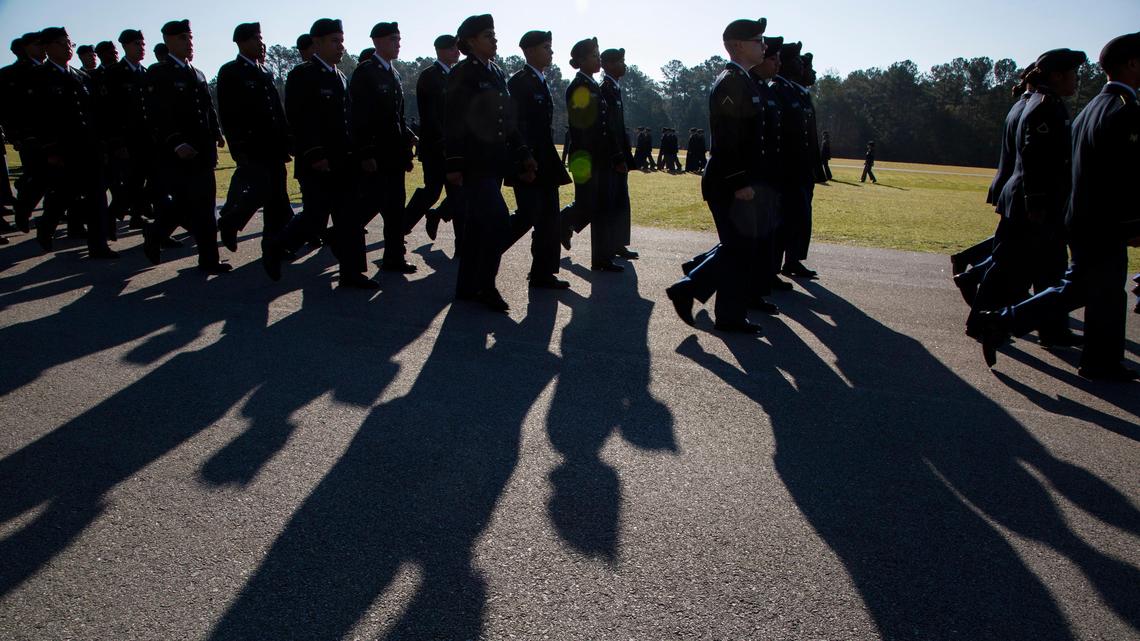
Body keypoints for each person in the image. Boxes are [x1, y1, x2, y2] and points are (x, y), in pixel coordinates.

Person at [978, 33, 1140, 381]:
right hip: (1104, 221)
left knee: (1091, 289)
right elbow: (1122, 176)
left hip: (1082, 218)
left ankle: (1097, 360)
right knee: (1094, 288)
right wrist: (1132, 223)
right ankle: (1003, 323)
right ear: (1131, 64)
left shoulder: (1093, 108)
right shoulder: (1123, 110)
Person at [968, 48, 1088, 347]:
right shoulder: (1045, 106)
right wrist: (1037, 203)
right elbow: (1035, 158)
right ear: (1057, 76)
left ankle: (1051, 329)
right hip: (1035, 204)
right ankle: (984, 323)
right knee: (1011, 268)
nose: (1076, 80)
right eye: (1073, 74)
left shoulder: (1043, 103)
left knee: (1045, 267)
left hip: (1035, 201)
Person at [665, 17, 770, 334]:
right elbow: (727, 137)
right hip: (728, 181)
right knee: (740, 246)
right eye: (758, 40)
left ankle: (726, 311)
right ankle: (690, 288)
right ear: (738, 45)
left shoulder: (744, 81)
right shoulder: (731, 82)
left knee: (740, 246)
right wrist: (739, 181)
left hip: (737, 179)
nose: (763, 46)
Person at [267, 18, 375, 288]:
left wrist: (361, 154)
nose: (341, 46)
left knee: (349, 218)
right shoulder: (303, 75)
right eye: (334, 41)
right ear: (317, 43)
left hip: (344, 161)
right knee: (315, 217)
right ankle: (276, 246)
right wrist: (315, 153)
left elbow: (350, 121)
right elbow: (300, 119)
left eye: (342, 41)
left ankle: (352, 273)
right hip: (318, 162)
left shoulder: (340, 77)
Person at [445, 14, 537, 311]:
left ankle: (466, 286)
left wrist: (522, 152)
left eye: (494, 35)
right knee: (497, 221)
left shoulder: (496, 71)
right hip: (474, 162)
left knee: (477, 226)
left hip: (495, 161)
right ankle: (486, 285)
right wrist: (454, 163)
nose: (494, 40)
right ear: (471, 42)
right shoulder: (463, 73)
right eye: (488, 35)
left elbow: (507, 118)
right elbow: (453, 121)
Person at [141, 19, 229, 273]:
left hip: (202, 151)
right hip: (178, 154)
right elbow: (157, 114)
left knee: (205, 207)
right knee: (183, 206)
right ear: (168, 41)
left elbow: (207, 109)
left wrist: (216, 133)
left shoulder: (197, 73)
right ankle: (155, 234)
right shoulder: (159, 73)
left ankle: (209, 260)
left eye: (190, 38)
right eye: (182, 38)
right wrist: (176, 142)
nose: (189, 42)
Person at [27, 27, 117, 258]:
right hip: (63, 149)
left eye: (70, 43)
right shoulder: (39, 76)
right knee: (63, 195)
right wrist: (49, 149)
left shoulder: (81, 77)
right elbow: (37, 117)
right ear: (48, 47)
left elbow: (94, 113)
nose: (68, 47)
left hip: (89, 147)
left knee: (97, 197)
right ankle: (47, 224)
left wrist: (103, 143)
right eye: (62, 43)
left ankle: (98, 246)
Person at [951, 64, 1038, 303]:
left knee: (1012, 241)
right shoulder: (1034, 107)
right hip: (1020, 187)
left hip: (1010, 183)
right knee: (1017, 244)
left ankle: (972, 265)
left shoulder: (1021, 105)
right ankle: (976, 274)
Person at [215, 22, 293, 260]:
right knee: (262, 191)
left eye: (261, 38)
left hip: (273, 145)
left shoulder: (264, 71)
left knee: (277, 198)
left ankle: (273, 245)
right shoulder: (231, 72)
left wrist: (286, 139)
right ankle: (231, 222)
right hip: (252, 146)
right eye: (255, 39)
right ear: (241, 42)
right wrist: (238, 148)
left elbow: (276, 110)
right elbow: (228, 114)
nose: (261, 43)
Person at [506, 29, 573, 289]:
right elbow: (514, 126)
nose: (551, 52)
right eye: (546, 47)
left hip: (544, 160)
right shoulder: (519, 82)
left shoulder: (540, 80)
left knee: (549, 219)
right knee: (527, 215)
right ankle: (483, 254)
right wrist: (522, 159)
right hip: (527, 160)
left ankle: (543, 273)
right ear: (530, 51)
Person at [349, 21, 417, 274]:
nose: (397, 44)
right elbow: (360, 117)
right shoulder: (366, 72)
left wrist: (408, 142)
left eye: (398, 39)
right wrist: (366, 152)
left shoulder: (393, 73)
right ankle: (342, 236)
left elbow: (397, 117)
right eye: (392, 39)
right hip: (377, 153)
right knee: (371, 202)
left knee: (395, 207)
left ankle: (394, 258)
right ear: (377, 41)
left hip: (394, 154)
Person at [559, 37, 626, 271]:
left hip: (600, 157)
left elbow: (605, 126)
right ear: (581, 60)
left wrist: (615, 155)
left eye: (598, 55)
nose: (599, 60)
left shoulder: (593, 85)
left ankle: (602, 258)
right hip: (586, 158)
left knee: (601, 206)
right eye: (594, 56)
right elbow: (581, 129)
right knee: (587, 204)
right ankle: (560, 224)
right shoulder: (579, 87)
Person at [405, 34, 460, 243]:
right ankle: (401, 226)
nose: (457, 52)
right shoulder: (430, 76)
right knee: (432, 191)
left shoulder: (456, 75)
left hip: (453, 146)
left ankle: (461, 244)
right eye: (453, 48)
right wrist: (442, 141)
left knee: (458, 193)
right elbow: (430, 116)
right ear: (441, 51)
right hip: (436, 147)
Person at [100, 29, 152, 230]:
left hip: (145, 138)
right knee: (131, 182)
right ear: (125, 46)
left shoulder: (145, 73)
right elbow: (108, 111)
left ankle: (134, 215)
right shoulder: (114, 73)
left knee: (143, 181)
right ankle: (112, 215)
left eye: (143, 44)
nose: (141, 48)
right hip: (126, 140)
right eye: (136, 44)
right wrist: (116, 142)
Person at [4, 32, 48, 234]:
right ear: (27, 47)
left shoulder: (49, 70)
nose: (43, 48)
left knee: (54, 178)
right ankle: (23, 207)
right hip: (31, 136)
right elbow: (8, 110)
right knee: (40, 176)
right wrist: (15, 136)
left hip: (54, 134)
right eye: (39, 44)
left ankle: (53, 219)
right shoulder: (13, 74)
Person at [600, 46, 638, 260]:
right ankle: (612, 243)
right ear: (608, 65)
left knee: (621, 200)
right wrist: (617, 157)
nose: (624, 65)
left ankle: (618, 243)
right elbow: (609, 127)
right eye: (620, 61)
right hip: (613, 157)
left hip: (620, 154)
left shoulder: (614, 88)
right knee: (614, 201)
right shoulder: (605, 89)